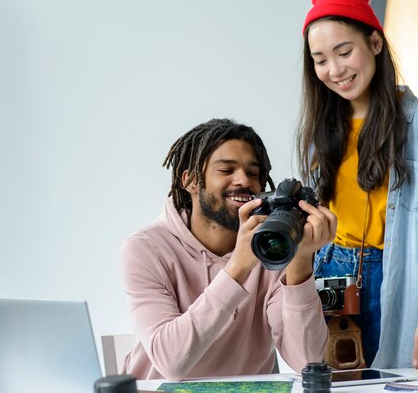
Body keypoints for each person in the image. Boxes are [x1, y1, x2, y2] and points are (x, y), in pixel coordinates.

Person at [296, 0, 418, 380]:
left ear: (375, 43)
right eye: (320, 59)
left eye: (344, 52)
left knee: (406, 382)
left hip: (400, 278)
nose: (334, 70)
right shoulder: (320, 132)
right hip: (331, 277)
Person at [120, 118, 337, 380]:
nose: (243, 180)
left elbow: (308, 361)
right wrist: (238, 266)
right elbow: (171, 363)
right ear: (190, 181)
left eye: (253, 173)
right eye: (226, 170)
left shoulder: (271, 245)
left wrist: (300, 259)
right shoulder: (146, 249)